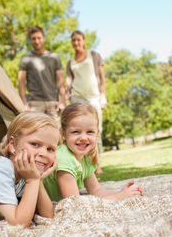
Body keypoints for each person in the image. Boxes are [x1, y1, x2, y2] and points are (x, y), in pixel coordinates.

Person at [43, 103, 143, 202]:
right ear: (63, 134)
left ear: (97, 134)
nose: (83, 138)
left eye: (90, 132)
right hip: (44, 207)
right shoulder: (64, 159)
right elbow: (75, 204)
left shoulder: (85, 158)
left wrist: (121, 193)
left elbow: (96, 190)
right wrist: (117, 197)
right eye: (76, 132)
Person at [0, 111, 60, 227]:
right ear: (12, 145)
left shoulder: (26, 172)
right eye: (35, 144)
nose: (44, 154)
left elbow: (48, 217)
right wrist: (33, 181)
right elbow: (16, 225)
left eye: (50, 149)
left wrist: (38, 180)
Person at [66, 30, 107, 172]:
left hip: (93, 98)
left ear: (83, 41)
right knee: (78, 132)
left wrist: (103, 96)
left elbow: (102, 78)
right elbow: (69, 82)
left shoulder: (94, 56)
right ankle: (82, 166)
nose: (76, 43)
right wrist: (65, 98)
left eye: (78, 40)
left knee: (96, 130)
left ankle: (97, 164)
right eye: (74, 40)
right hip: (76, 98)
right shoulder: (70, 62)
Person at [18, 26, 66, 120]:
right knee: (35, 133)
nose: (36, 41)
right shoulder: (25, 59)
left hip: (53, 103)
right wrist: (23, 103)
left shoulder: (54, 57)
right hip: (34, 103)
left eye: (39, 38)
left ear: (43, 38)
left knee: (56, 132)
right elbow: (21, 82)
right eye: (33, 38)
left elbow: (60, 81)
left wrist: (62, 101)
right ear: (30, 40)